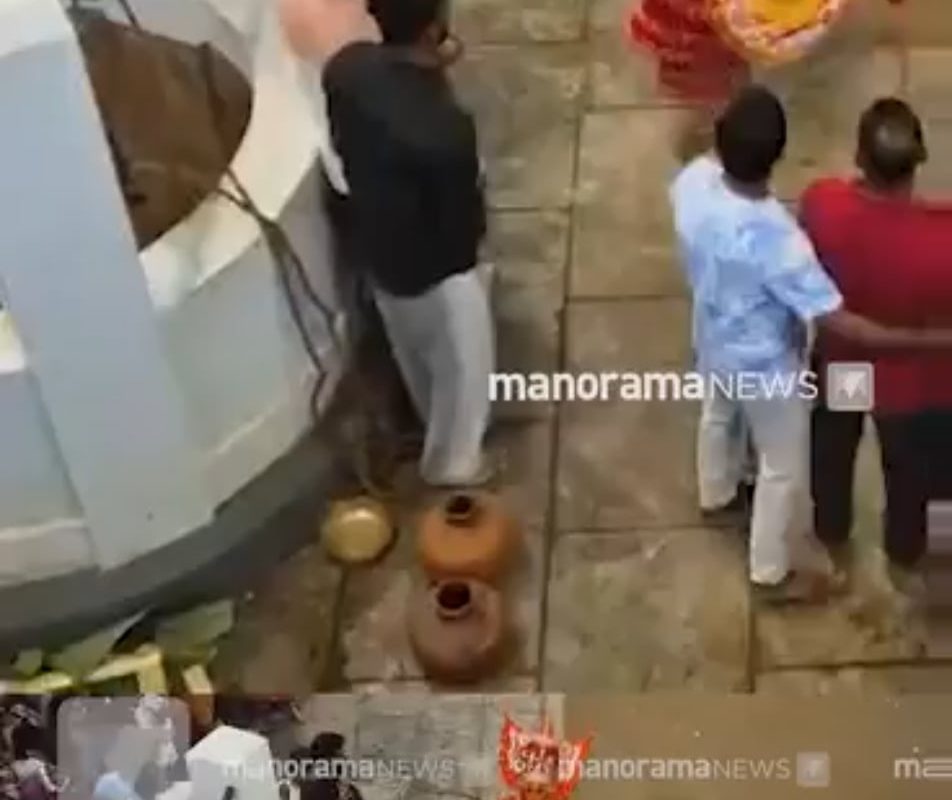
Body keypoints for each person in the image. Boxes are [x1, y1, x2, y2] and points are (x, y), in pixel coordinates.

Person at [669, 85, 952, 603]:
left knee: (787, 432)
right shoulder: (937, 239)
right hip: (890, 384)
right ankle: (847, 558)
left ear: (859, 157)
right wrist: (934, 340)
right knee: (864, 468)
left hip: (761, 349)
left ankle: (798, 514)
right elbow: (839, 319)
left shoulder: (809, 202)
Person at [279, 0, 493, 488]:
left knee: (414, 349)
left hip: (382, 256)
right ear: (434, 31)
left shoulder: (347, 71)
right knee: (464, 368)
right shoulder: (446, 130)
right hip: (439, 268)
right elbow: (462, 226)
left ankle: (425, 416)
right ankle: (454, 463)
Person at [801, 98, 952, 581]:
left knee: (834, 448)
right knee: (907, 473)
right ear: (918, 161)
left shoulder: (823, 204)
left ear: (859, 157)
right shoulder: (942, 238)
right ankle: (904, 550)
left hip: (847, 364)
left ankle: (832, 525)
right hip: (907, 385)